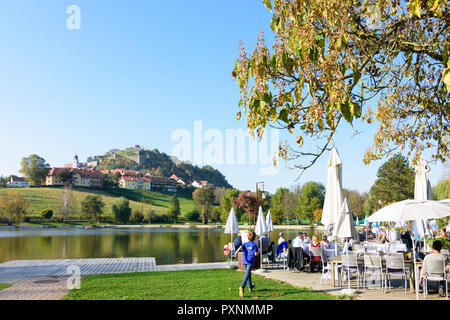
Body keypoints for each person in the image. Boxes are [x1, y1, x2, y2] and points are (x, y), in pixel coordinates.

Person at [233, 231, 258, 297]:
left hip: (245, 261)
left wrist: (235, 253)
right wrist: (256, 253)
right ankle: (242, 286)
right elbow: (255, 254)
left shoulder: (245, 243)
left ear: (248, 237)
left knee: (248, 273)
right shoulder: (254, 245)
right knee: (247, 274)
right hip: (250, 261)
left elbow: (240, 248)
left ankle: (250, 287)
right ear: (254, 238)